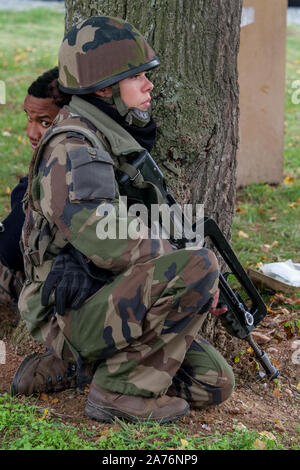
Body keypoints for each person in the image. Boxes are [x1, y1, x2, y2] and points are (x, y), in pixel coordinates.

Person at [11, 16, 235, 424]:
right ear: (103, 87)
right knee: (200, 264)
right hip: (67, 309)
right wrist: (191, 267)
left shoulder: (108, 134)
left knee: (213, 381)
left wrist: (192, 271)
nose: (150, 86)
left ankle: (79, 369)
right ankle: (115, 395)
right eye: (137, 78)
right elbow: (103, 234)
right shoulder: (74, 145)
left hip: (102, 297)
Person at [0, 68, 70, 306]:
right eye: (28, 118)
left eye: (44, 122)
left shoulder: (60, 174)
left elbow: (9, 251)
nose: (31, 132)